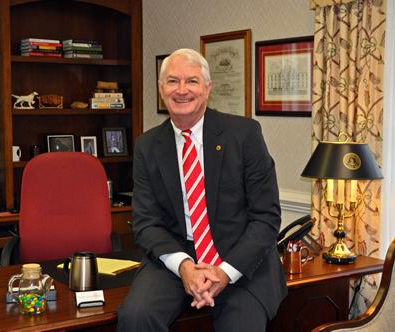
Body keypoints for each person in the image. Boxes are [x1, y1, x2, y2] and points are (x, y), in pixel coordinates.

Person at [116, 48, 287, 331]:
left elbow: (266, 218)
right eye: (172, 81)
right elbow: (147, 223)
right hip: (176, 258)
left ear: (207, 88)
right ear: (161, 89)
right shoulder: (147, 146)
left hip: (239, 260)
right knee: (136, 318)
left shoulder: (244, 135)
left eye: (192, 81)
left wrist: (224, 272)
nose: (182, 90)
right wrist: (184, 267)